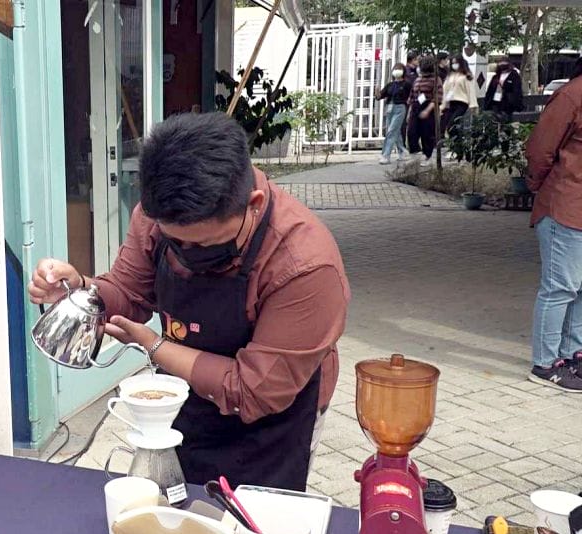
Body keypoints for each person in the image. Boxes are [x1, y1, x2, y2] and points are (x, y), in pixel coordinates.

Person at [29, 113, 350, 490]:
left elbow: (255, 391)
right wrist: (81, 288)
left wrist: (154, 345)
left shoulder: (304, 266)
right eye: (174, 242)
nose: (185, 256)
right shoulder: (158, 215)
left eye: (202, 245)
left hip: (273, 422)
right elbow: (130, 293)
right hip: (190, 398)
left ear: (253, 204)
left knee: (253, 520)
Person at [525, 57, 582, 393]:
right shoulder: (572, 96)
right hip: (566, 206)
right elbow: (540, 149)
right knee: (560, 288)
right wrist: (538, 186)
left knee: (579, 288)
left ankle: (573, 355)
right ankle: (545, 364)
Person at [407, 55, 443, 167]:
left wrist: (427, 110)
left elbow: (437, 97)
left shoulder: (436, 80)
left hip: (428, 107)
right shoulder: (418, 79)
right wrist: (409, 112)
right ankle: (414, 154)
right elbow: (412, 96)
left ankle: (427, 156)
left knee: (427, 134)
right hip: (416, 107)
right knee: (412, 132)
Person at [377, 63, 413, 165]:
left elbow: (412, 96)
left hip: (400, 108)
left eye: (399, 68)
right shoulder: (390, 85)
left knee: (391, 131)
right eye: (395, 69)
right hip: (389, 108)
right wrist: (377, 92)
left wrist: (409, 108)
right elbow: (380, 96)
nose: (397, 70)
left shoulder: (406, 84)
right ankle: (402, 151)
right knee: (395, 131)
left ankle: (386, 155)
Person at [440, 55, 479, 139]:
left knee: (453, 124)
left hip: (462, 103)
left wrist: (473, 105)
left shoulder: (466, 76)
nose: (454, 65)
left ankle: (457, 142)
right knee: (449, 126)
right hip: (451, 103)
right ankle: (456, 142)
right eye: (453, 63)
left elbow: (471, 91)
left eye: (456, 63)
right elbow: (445, 91)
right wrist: (442, 105)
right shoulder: (450, 76)